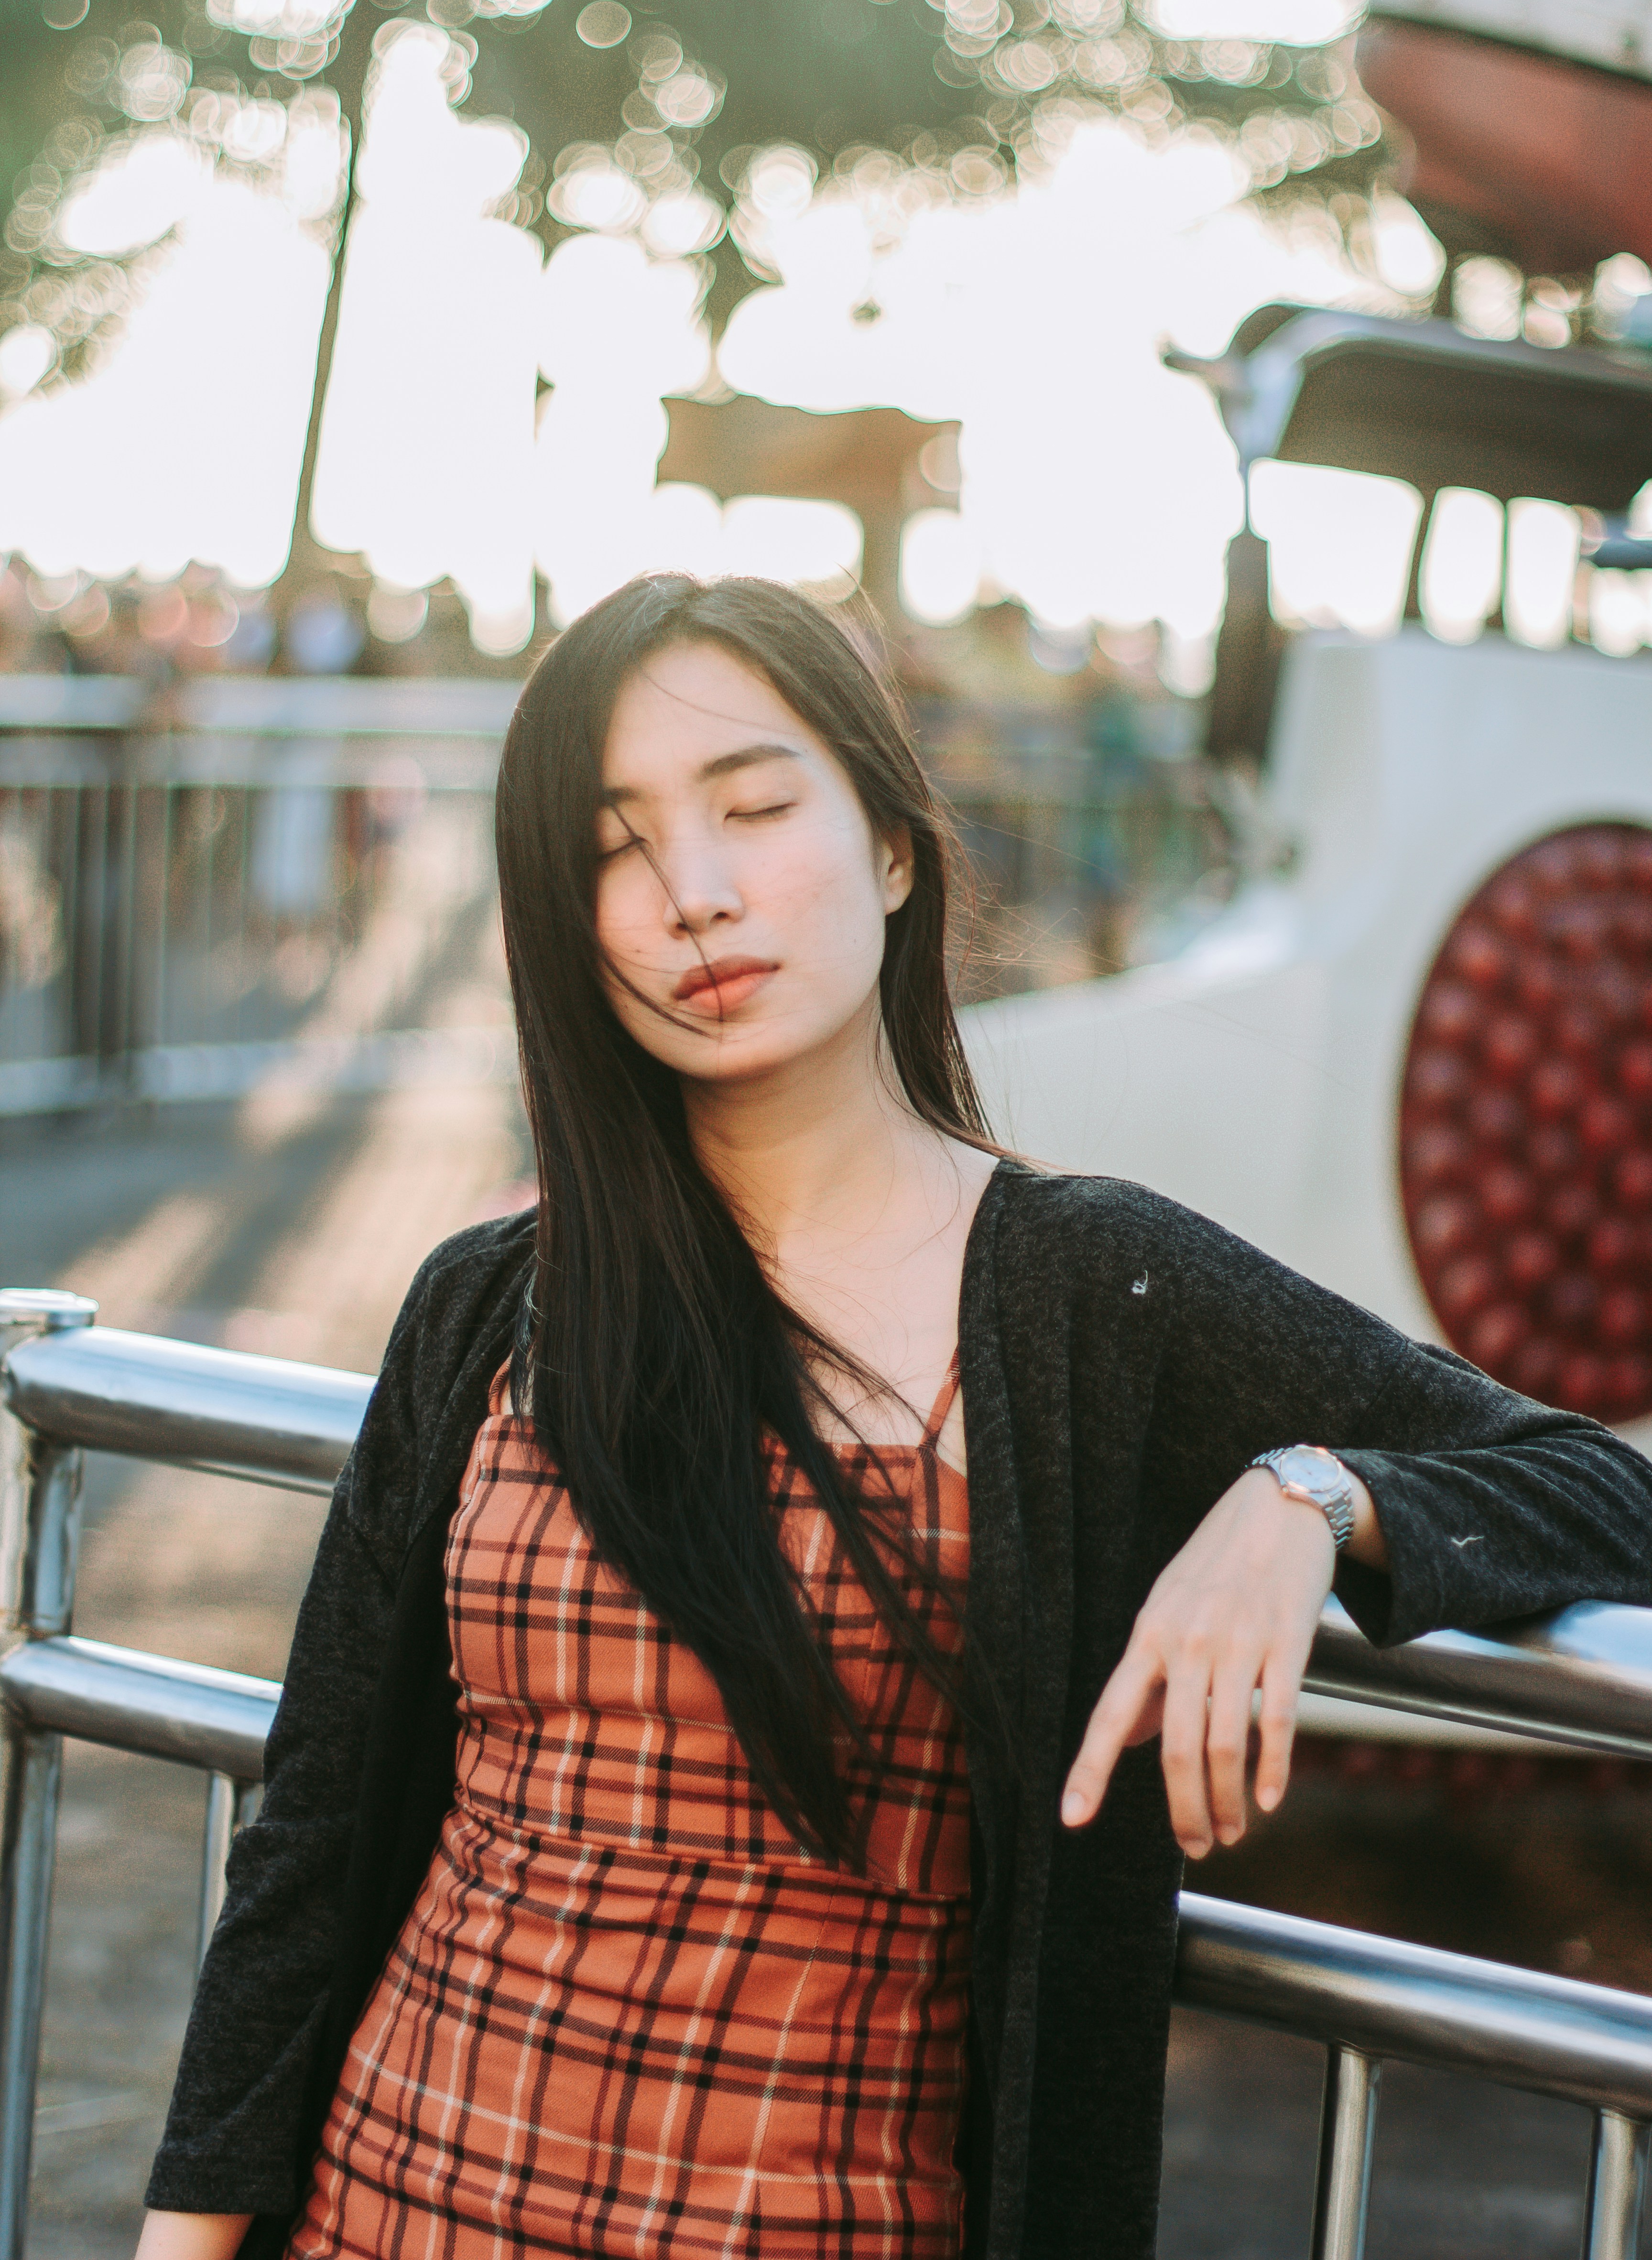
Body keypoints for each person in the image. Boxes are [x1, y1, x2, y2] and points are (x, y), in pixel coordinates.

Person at [136, 576, 1652, 2260]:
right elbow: (314, 1841)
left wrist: (1313, 1501)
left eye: (757, 809)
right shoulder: (492, 1303)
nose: (693, 896)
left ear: (892, 847)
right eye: (613, 848)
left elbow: (1598, 1485)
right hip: (391, 2201)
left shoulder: (1088, 1286)